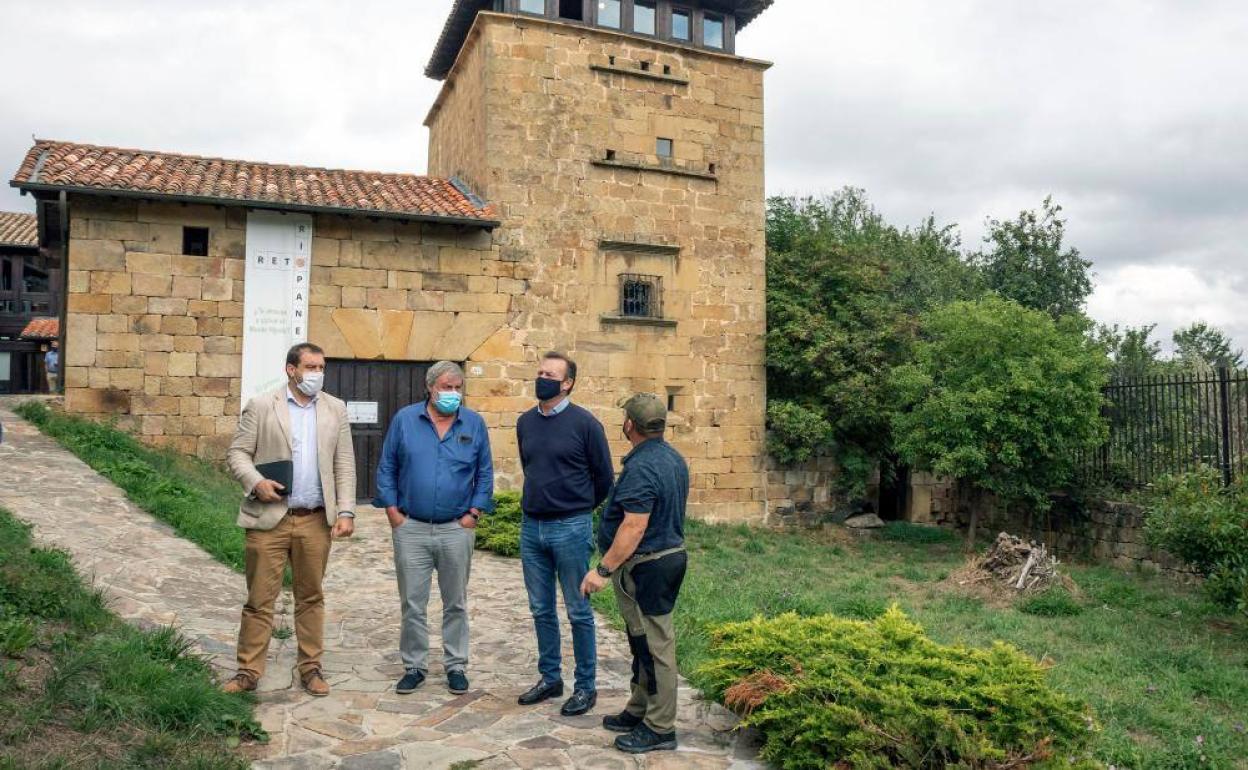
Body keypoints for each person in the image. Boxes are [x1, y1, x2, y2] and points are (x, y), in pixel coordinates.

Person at [222, 342, 357, 697]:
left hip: (315, 520)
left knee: (311, 597)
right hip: (270, 518)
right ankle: (248, 670)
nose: (317, 374)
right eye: (310, 367)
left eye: (321, 367)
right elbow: (237, 453)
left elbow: (344, 462)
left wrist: (345, 510)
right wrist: (256, 482)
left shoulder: (335, 409)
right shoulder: (263, 405)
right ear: (291, 369)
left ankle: (311, 668)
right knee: (259, 599)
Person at [374, 361, 494, 696]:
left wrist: (474, 513)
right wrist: (393, 512)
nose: (452, 394)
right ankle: (414, 665)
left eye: (458, 388)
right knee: (413, 602)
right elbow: (387, 466)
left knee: (455, 601)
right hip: (411, 526)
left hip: (457, 528)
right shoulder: (405, 420)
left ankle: (456, 665)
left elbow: (485, 473)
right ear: (430, 387)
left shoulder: (474, 423)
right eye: (446, 387)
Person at [581, 393, 689, 754]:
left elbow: (634, 527)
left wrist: (603, 569)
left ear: (630, 425)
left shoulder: (643, 467)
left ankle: (660, 727)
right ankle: (640, 708)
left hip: (650, 566)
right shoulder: (671, 457)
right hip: (660, 561)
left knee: (657, 646)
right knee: (641, 641)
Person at [515, 352, 613, 716]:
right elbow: (531, 467)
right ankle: (550, 677)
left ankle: (586, 687)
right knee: (540, 608)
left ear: (567, 382)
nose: (541, 377)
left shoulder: (586, 424)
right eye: (539, 371)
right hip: (531, 527)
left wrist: (580, 507)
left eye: (550, 374)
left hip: (571, 527)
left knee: (578, 611)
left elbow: (603, 478)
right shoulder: (525, 422)